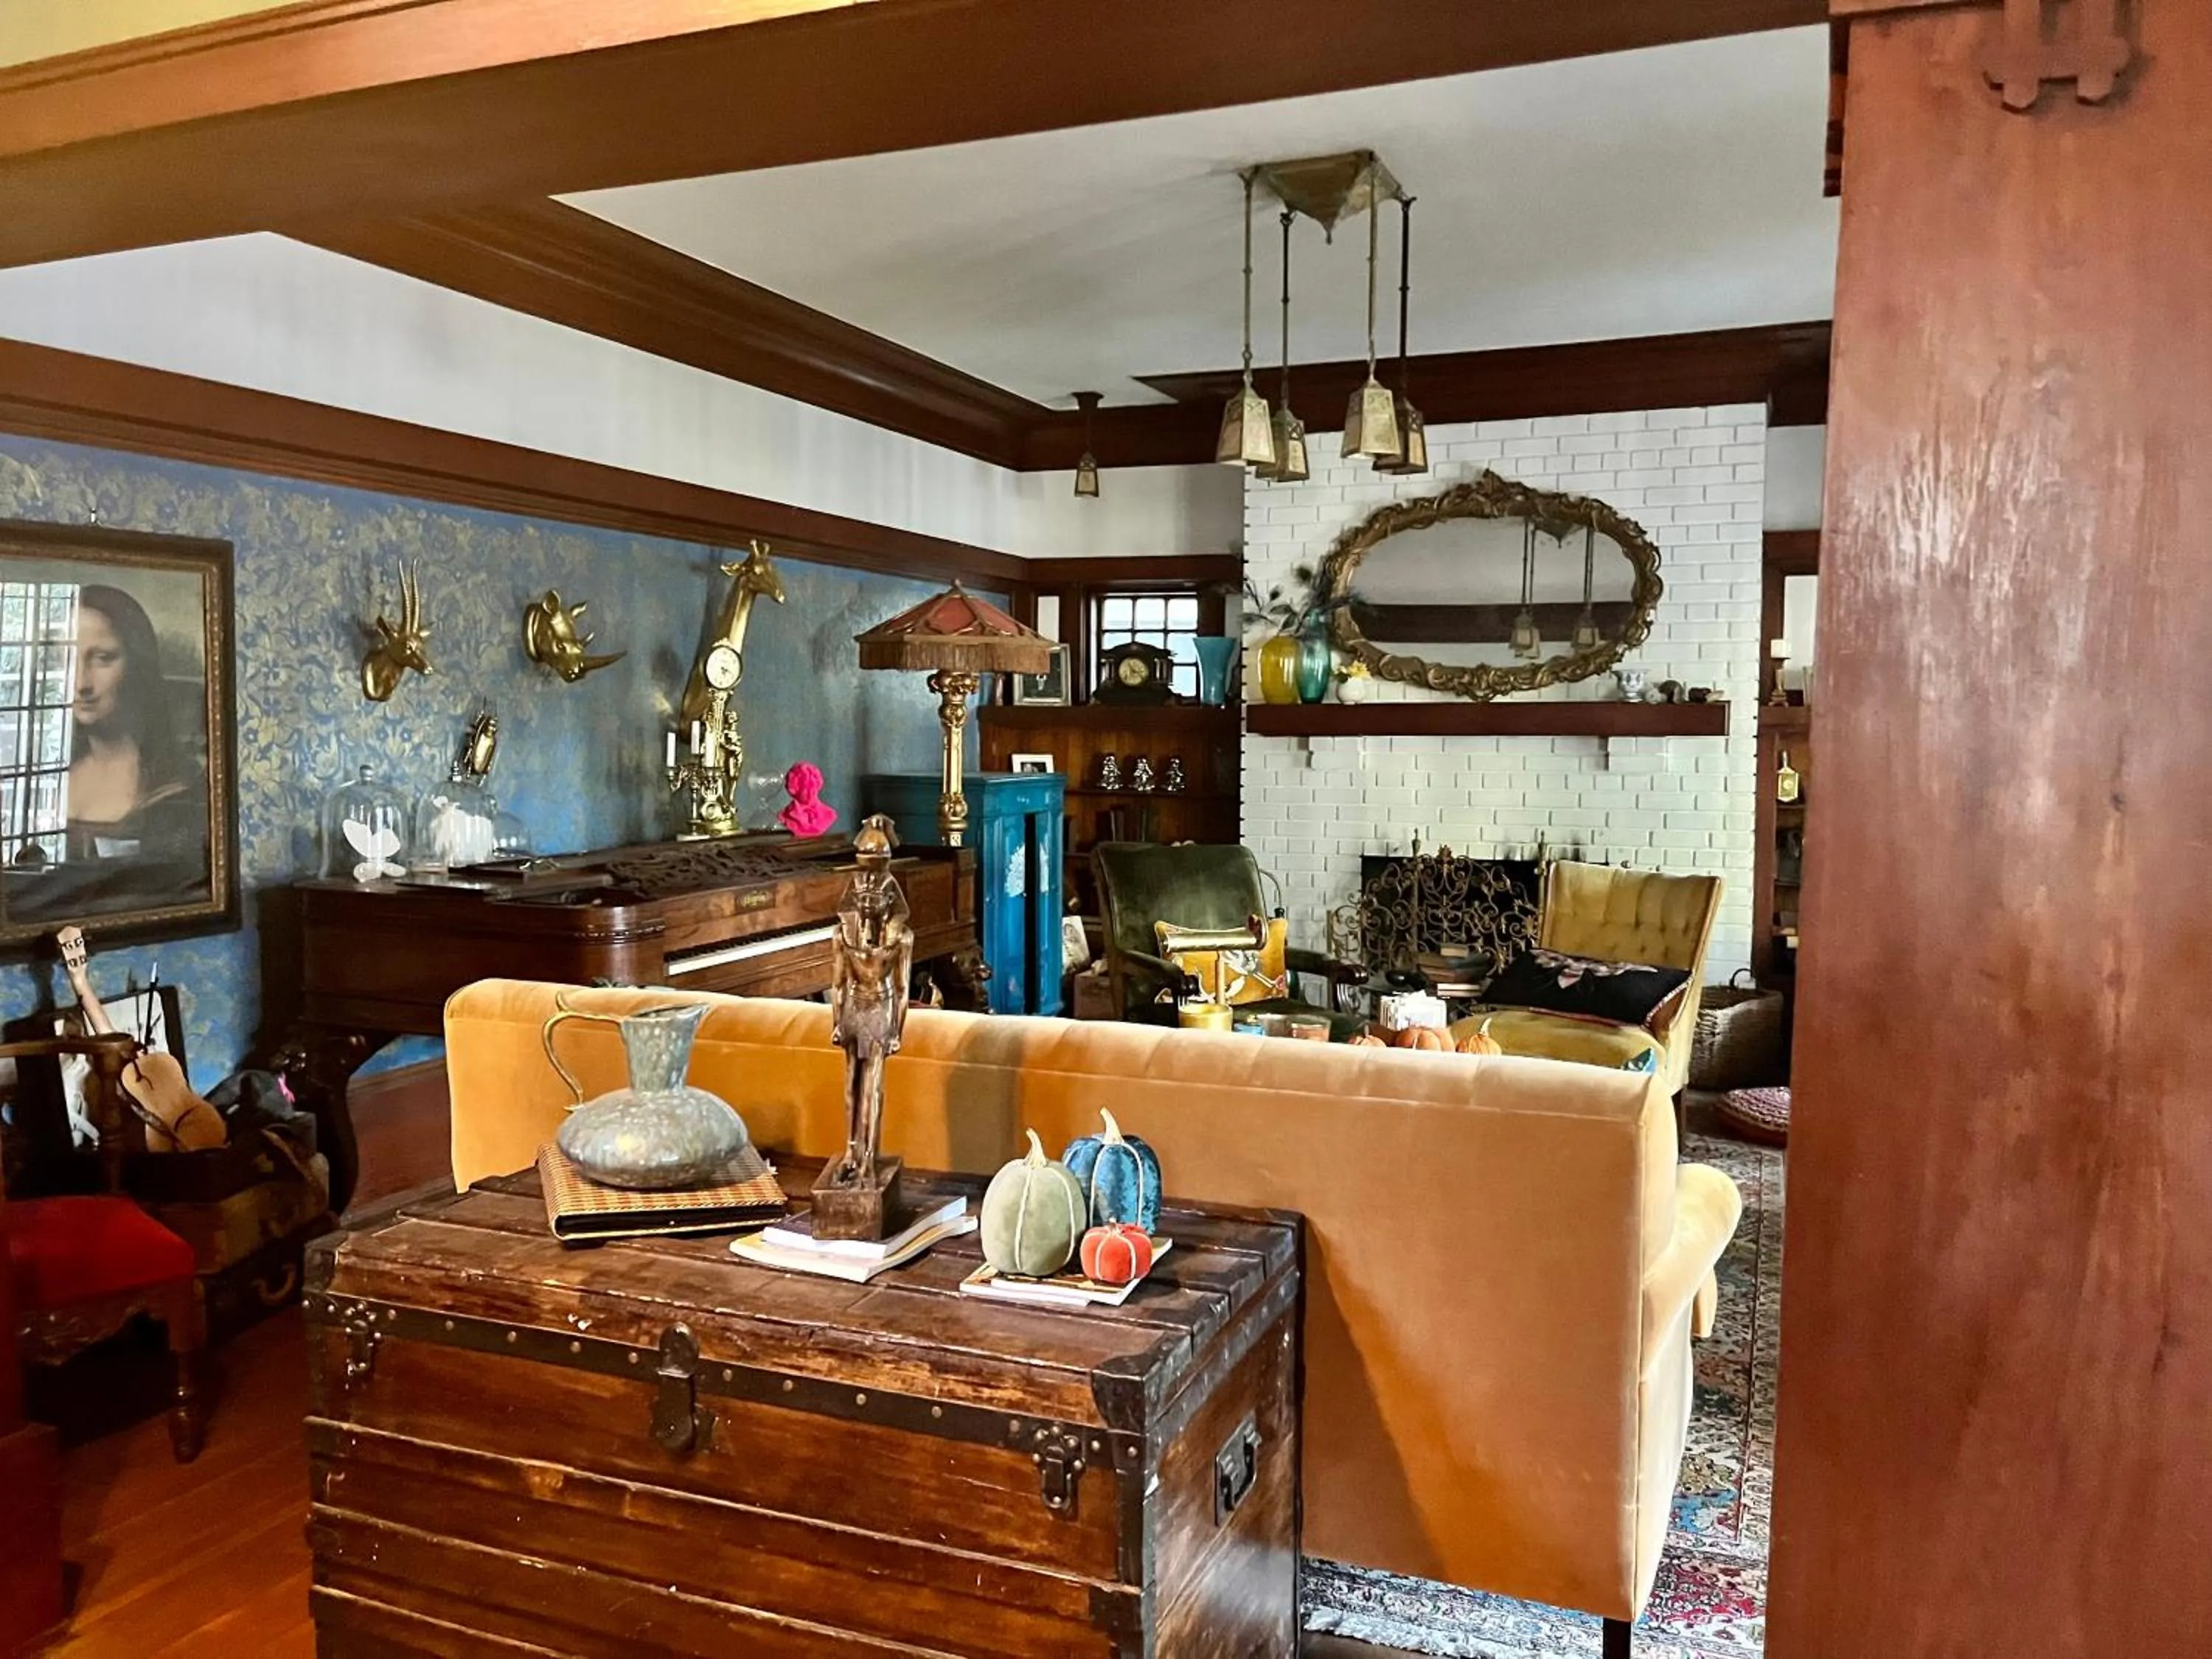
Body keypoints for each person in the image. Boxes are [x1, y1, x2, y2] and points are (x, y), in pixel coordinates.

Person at [62, 585, 204, 874]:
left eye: (103, 658)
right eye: (66, 657)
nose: (81, 683)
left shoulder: (176, 788)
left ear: (137, 666)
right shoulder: (51, 772)